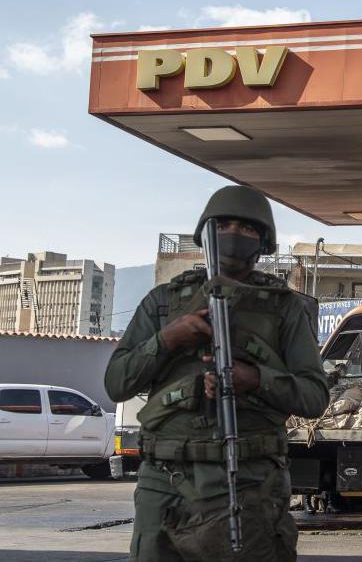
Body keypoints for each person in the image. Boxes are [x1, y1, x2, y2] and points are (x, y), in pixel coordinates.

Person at [105, 186, 329, 561]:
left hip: (250, 483)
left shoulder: (283, 309)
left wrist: (254, 379)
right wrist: (168, 339)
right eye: (223, 225)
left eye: (246, 228)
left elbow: (313, 396)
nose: (233, 235)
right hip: (167, 482)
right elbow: (117, 383)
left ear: (263, 243)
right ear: (206, 233)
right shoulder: (163, 303)